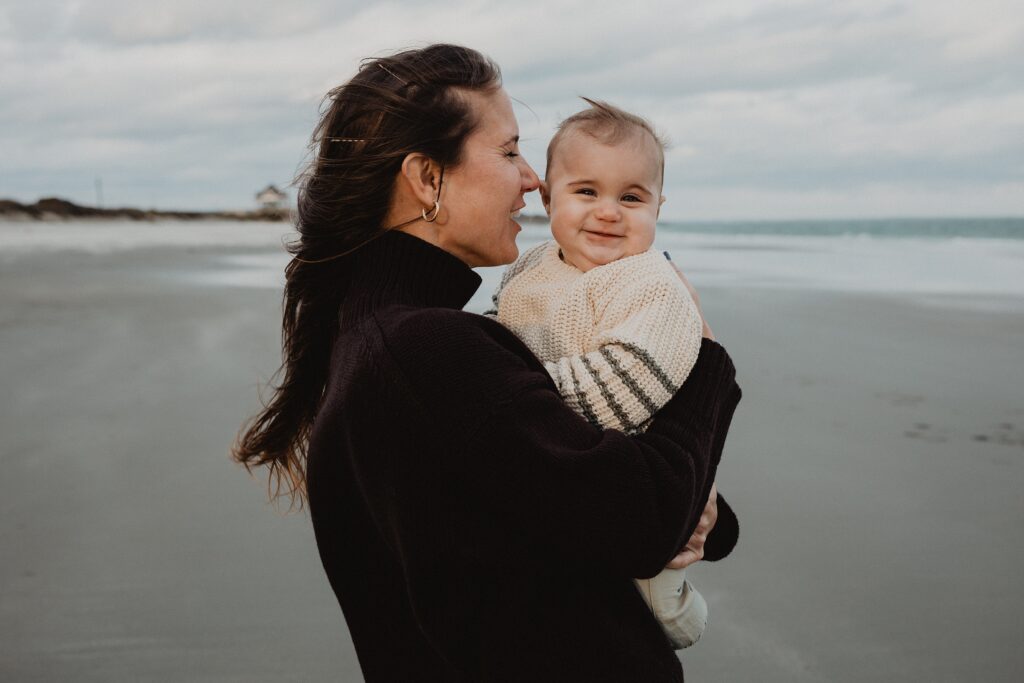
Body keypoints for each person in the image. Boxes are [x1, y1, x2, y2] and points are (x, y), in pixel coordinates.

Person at [234, 44, 741, 682]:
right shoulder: (425, 352)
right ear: (427, 179)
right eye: (508, 152)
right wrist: (707, 362)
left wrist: (699, 513)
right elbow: (641, 522)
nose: (532, 179)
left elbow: (562, 498)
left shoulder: (388, 344)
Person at [487, 99, 716, 649]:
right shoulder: (530, 266)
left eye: (632, 198)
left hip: (634, 468)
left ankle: (681, 612)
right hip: (560, 474)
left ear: (659, 206)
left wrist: (514, 398)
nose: (609, 211)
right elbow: (497, 334)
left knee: (655, 605)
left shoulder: (651, 284)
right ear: (548, 197)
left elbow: (623, 387)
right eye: (586, 192)